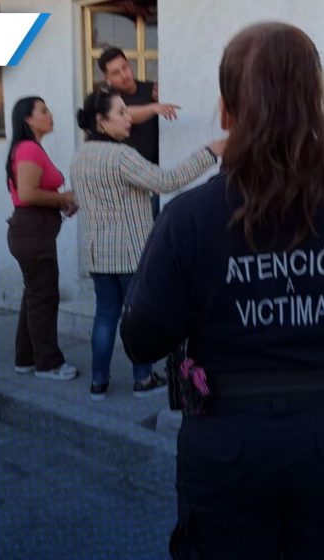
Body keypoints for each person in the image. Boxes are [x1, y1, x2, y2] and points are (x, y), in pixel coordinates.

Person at [120, 22, 324, 559]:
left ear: (225, 110)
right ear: (315, 104)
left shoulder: (187, 220)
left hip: (230, 447)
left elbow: (142, 339)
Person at [71, 87, 223, 400]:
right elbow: (166, 181)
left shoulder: (79, 157)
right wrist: (209, 153)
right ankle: (142, 379)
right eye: (121, 113)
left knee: (104, 315)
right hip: (129, 253)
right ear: (101, 121)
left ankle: (98, 382)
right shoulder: (121, 155)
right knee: (135, 316)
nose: (129, 118)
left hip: (97, 252)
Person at [5, 96, 78, 381]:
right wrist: (63, 197)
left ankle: (25, 358)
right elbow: (27, 194)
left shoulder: (31, 149)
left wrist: (61, 204)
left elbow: (34, 194)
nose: (50, 115)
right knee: (44, 297)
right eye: (43, 111)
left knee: (34, 296)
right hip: (32, 233)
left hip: (33, 231)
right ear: (29, 119)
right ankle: (48, 364)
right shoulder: (28, 150)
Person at [99, 47, 179, 219]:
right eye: (116, 72)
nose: (124, 75)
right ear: (107, 79)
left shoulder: (152, 90)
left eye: (125, 67)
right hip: (128, 184)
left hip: (157, 177)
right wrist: (153, 108)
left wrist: (160, 99)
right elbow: (125, 114)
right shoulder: (109, 101)